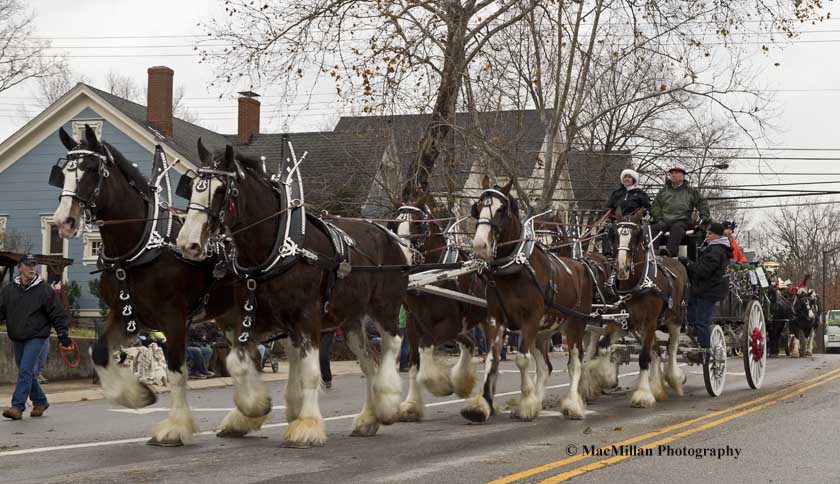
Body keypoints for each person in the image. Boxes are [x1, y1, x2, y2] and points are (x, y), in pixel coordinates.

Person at [1, 254, 72, 420]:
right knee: (26, 372)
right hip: (17, 336)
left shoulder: (45, 290)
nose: (32, 268)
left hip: (37, 336)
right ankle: (40, 401)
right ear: (20, 267)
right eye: (28, 265)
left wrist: (63, 335)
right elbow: (1, 311)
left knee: (25, 370)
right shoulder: (9, 290)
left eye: (34, 265)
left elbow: (57, 314)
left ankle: (17, 406)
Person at [683, 223, 733, 363]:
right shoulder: (717, 248)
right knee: (691, 301)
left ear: (717, 235)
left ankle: (704, 352)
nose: (707, 236)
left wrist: (688, 263)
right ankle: (693, 329)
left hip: (710, 290)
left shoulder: (716, 251)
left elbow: (703, 271)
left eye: (710, 234)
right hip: (708, 287)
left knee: (703, 321)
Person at [651, 165, 710, 257]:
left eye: (677, 173)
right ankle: (652, 252)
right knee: (653, 228)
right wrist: (659, 218)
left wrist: (704, 215)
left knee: (677, 228)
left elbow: (702, 203)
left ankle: (670, 251)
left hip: (682, 220)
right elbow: (655, 206)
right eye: (672, 173)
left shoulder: (691, 191)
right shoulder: (663, 191)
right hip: (664, 220)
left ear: (683, 175)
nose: (673, 175)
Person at [604, 168, 652, 258]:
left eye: (629, 177)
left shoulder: (640, 194)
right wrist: (609, 215)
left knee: (642, 230)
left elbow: (648, 207)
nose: (627, 179)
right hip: (618, 220)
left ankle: (642, 251)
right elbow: (609, 207)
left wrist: (644, 212)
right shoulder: (617, 193)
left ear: (633, 179)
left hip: (634, 220)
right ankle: (608, 254)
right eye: (625, 177)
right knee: (609, 228)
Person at [398, 306, 409, 372]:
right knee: (406, 347)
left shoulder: (401, 304)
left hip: (400, 325)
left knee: (400, 346)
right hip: (405, 326)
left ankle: (403, 365)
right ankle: (403, 366)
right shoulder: (406, 305)